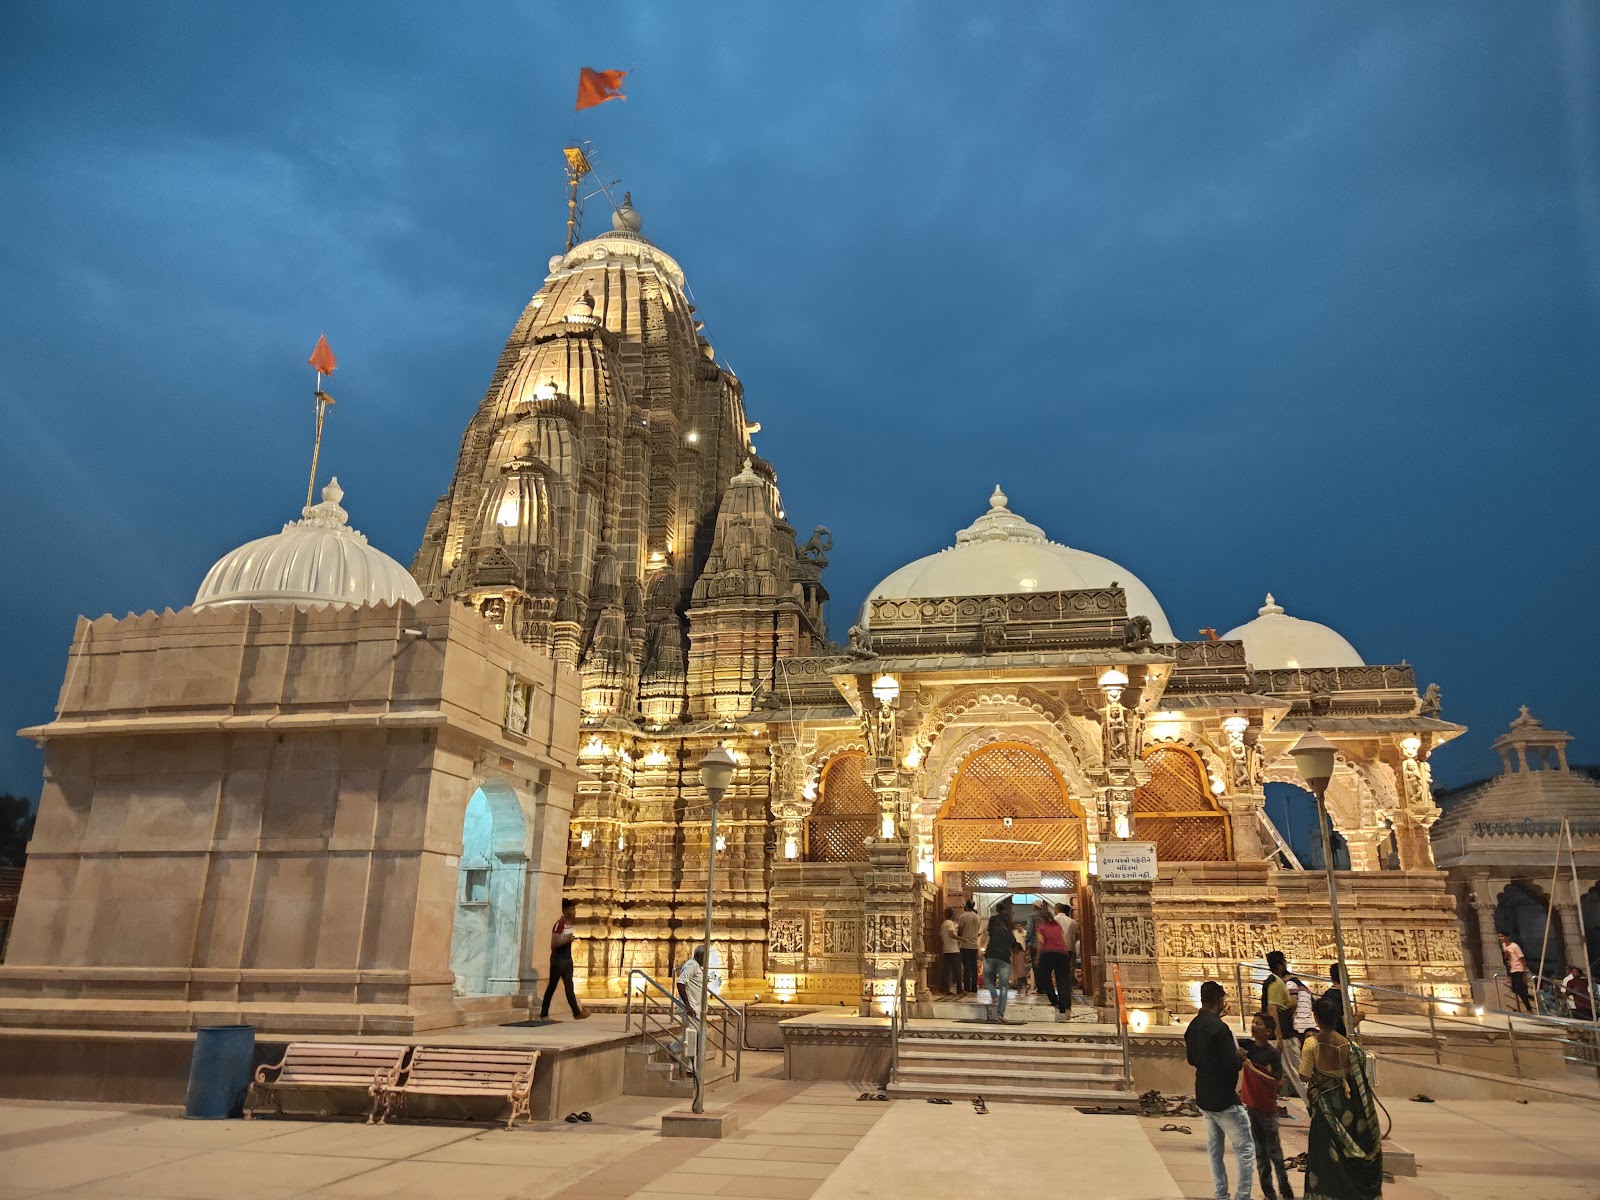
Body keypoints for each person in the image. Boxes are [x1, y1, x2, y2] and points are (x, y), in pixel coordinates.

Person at [1299, 995, 1383, 1199]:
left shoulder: (1312, 1044)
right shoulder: (1349, 1046)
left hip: (1325, 1107)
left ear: (1316, 1018)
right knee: (1346, 1154)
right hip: (1346, 1105)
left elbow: (1304, 1075)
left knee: (1324, 1155)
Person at [1186, 979, 1255, 1200]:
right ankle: (1243, 1196)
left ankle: (1221, 1194)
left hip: (1203, 1093)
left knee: (1215, 1149)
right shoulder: (1220, 1028)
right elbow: (1230, 1064)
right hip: (1223, 1098)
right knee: (1245, 1149)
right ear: (1219, 1000)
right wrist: (1240, 1057)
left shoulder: (1194, 1025)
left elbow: (1191, 1059)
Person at [1241, 1011, 1294, 1200]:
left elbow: (1277, 1082)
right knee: (1260, 1154)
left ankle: (1285, 1188)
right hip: (1252, 1107)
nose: (1254, 1026)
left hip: (1268, 1109)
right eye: (1253, 1022)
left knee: (1274, 1152)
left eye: (1259, 1024)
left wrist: (1252, 1068)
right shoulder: (1247, 1047)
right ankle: (1268, 1193)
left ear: (1269, 1031)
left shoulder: (1272, 1054)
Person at [539, 897, 588, 1021]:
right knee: (552, 986)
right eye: (572, 909)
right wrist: (567, 939)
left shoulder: (568, 925)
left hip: (566, 958)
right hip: (558, 959)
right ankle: (544, 1014)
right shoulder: (560, 924)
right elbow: (554, 943)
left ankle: (576, 1012)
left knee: (569, 986)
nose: (574, 911)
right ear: (565, 909)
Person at [1034, 904, 1073, 1021]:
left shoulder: (1041, 927)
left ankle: (1054, 1000)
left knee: (1045, 977)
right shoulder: (1057, 926)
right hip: (1062, 953)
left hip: (1048, 953)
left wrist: (1037, 957)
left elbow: (1041, 942)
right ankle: (1065, 1007)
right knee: (1063, 980)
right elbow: (1064, 940)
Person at [982, 899, 1018, 1021]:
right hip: (1004, 958)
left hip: (990, 955)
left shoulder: (993, 928)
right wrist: (1014, 968)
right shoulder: (1010, 934)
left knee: (987, 978)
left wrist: (980, 949)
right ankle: (1000, 1014)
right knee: (1004, 987)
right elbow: (1015, 949)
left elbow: (985, 934)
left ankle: (993, 995)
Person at [1262, 951, 1295, 1043]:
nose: (1286, 963)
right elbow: (1272, 1008)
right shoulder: (1276, 983)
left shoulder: (1276, 981)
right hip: (1281, 1032)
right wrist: (1278, 1035)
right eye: (1285, 961)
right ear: (1280, 966)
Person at [1054, 902, 1080, 1011]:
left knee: (1058, 971)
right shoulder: (1073, 922)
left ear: (1057, 909)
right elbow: (1077, 936)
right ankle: (1068, 989)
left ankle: (1060, 991)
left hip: (1057, 949)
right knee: (1069, 969)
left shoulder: (1053, 920)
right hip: (1070, 948)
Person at [1499, 933, 1532, 1012]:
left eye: (1502, 936)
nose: (1501, 939)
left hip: (1519, 969)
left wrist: (1524, 973)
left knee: (1519, 989)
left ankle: (1529, 1008)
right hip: (1512, 969)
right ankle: (1527, 998)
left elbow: (1522, 958)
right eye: (1499, 937)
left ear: (1507, 937)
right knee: (1514, 989)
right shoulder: (1504, 945)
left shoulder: (1515, 946)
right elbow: (1506, 958)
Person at [957, 900, 983, 995]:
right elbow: (978, 931)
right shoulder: (978, 917)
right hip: (974, 944)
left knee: (966, 967)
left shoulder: (963, 916)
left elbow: (960, 930)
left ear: (966, 906)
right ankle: (974, 987)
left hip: (965, 944)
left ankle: (967, 987)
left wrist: (960, 937)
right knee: (974, 967)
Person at [939, 906, 962, 996]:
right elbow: (951, 934)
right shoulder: (950, 923)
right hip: (953, 950)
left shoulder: (943, 924)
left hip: (946, 949)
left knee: (947, 970)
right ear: (952, 915)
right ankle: (959, 989)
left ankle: (945, 988)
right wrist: (961, 939)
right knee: (957, 971)